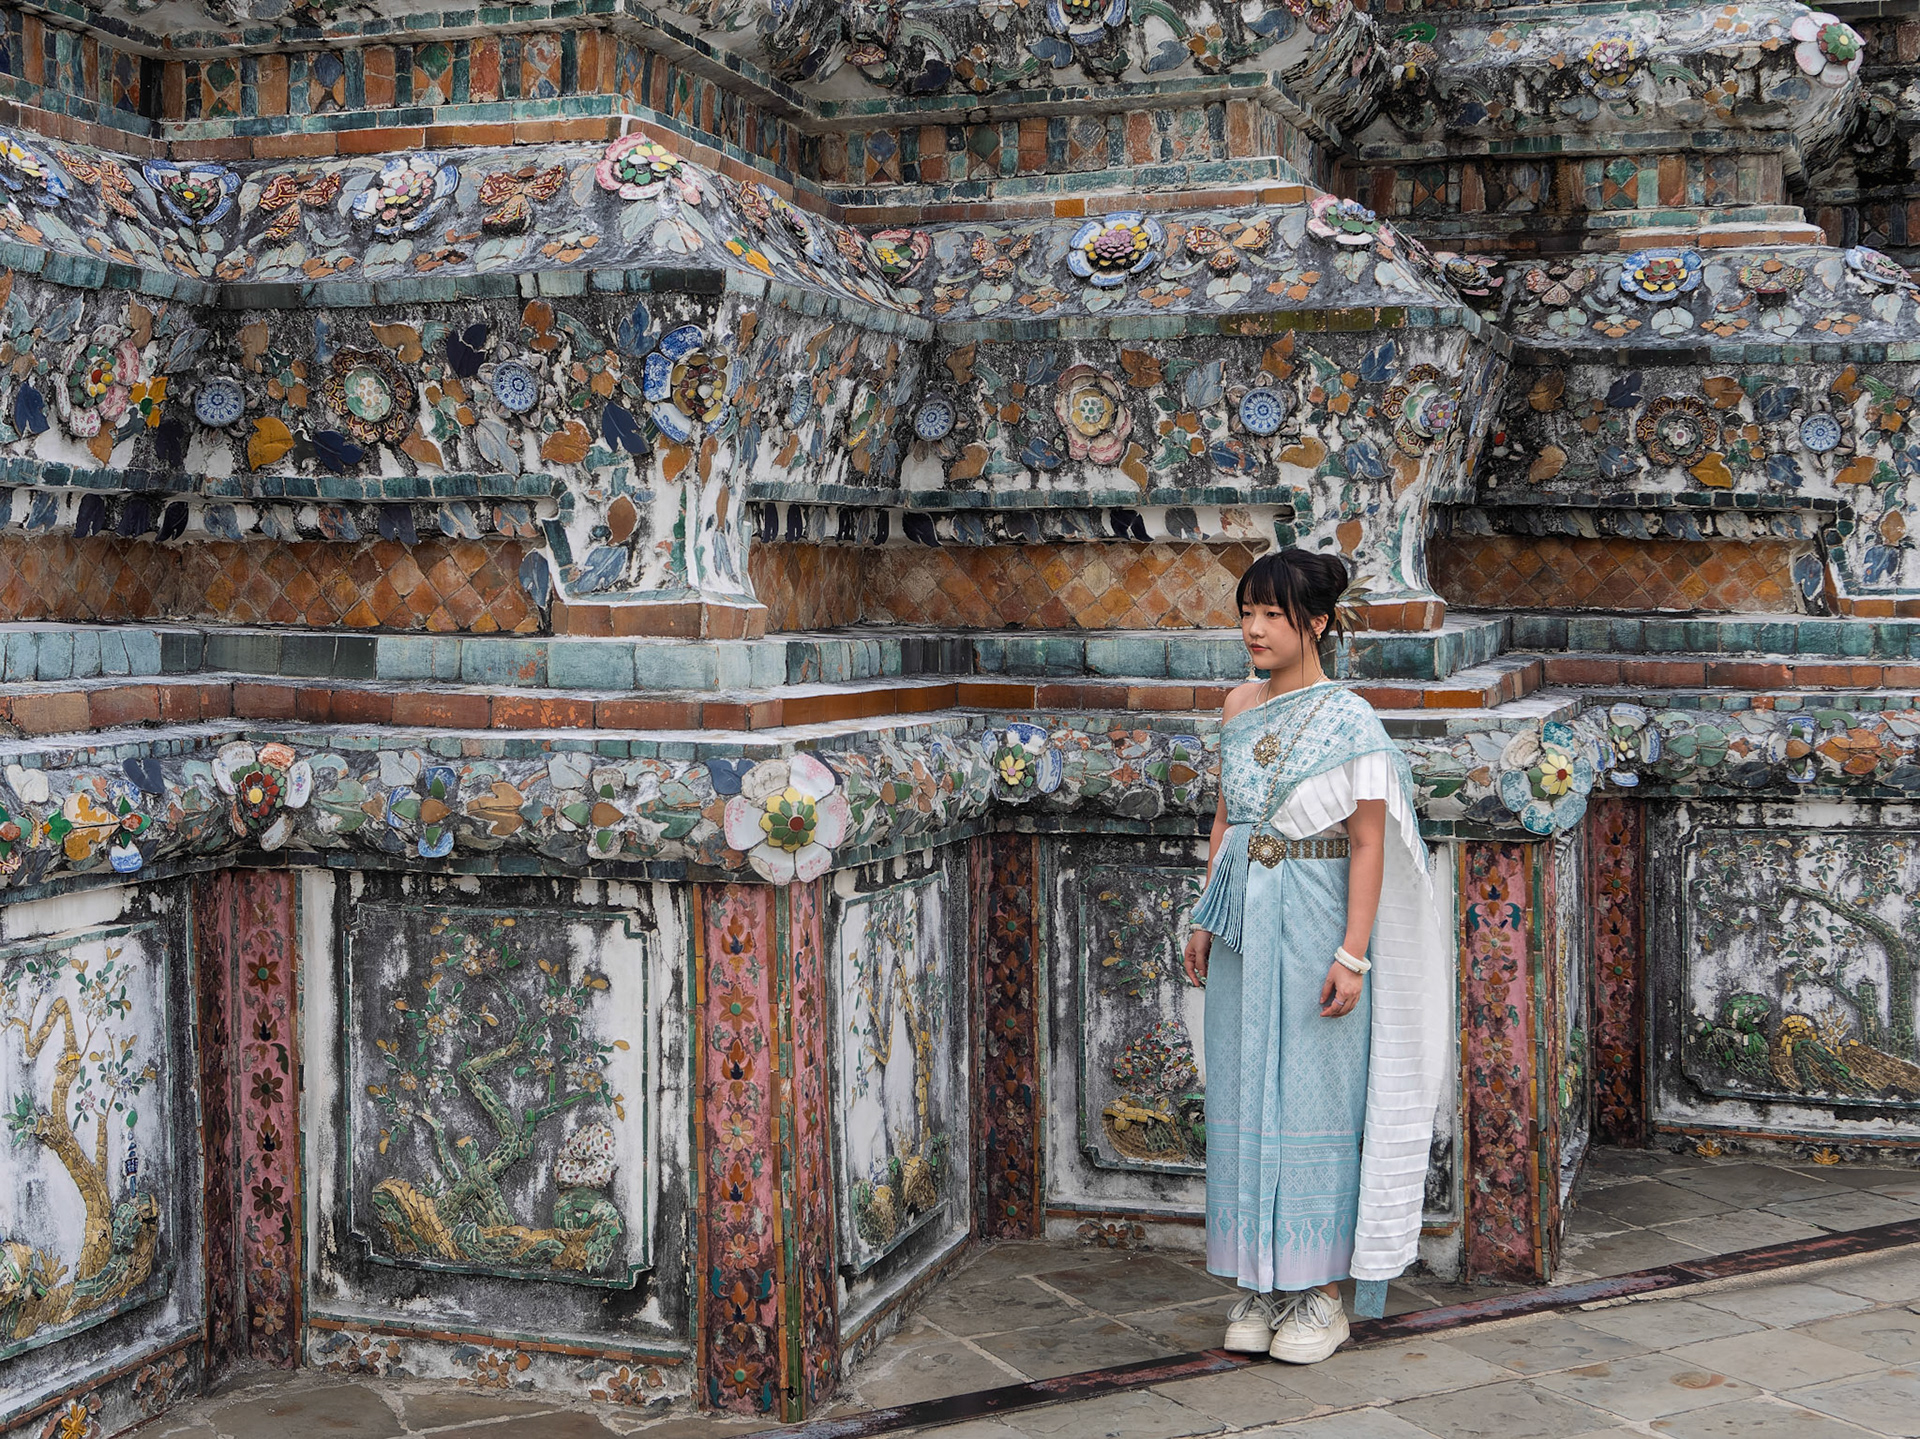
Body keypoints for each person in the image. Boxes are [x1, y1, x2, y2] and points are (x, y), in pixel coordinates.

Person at [1182, 549, 1446, 1365]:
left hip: (1314, 917)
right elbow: (1226, 818)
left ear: (1318, 623)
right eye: (1247, 612)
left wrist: (1353, 954)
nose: (1254, 629)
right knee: (1242, 1089)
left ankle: (1320, 1294)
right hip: (1242, 919)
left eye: (1273, 614)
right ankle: (1259, 1283)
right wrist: (1205, 912)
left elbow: (1367, 844)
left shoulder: (1349, 721)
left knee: (1313, 1100)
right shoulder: (1238, 705)